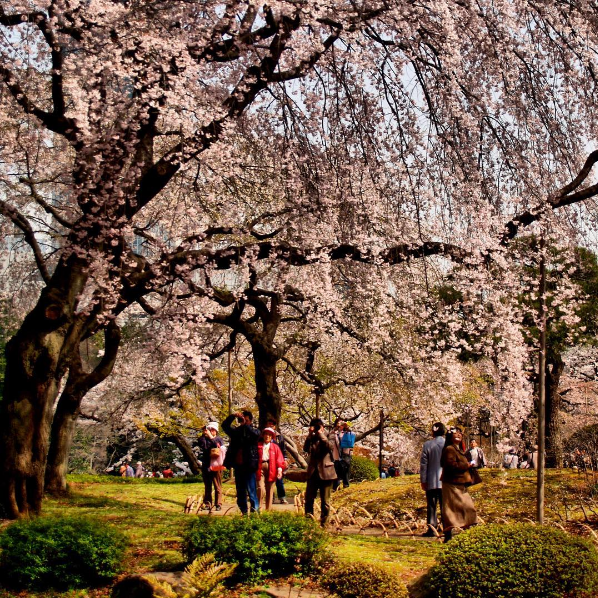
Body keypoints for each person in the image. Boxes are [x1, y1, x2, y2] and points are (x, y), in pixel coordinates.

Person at [440, 427, 477, 542]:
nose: (458, 435)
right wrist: (467, 465)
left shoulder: (458, 449)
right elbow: (451, 465)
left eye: (460, 433)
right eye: (455, 433)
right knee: (450, 508)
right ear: (450, 437)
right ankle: (448, 533)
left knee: (468, 506)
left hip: (460, 483)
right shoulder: (449, 449)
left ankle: (468, 530)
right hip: (452, 483)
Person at [222, 410, 260, 515]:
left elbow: (255, 436)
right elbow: (225, 426)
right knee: (240, 491)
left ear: (251, 421)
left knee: (252, 490)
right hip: (239, 465)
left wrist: (246, 425)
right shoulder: (236, 432)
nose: (244, 422)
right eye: (243, 420)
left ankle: (255, 511)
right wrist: (233, 416)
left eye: (247, 420)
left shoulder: (255, 431)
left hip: (250, 465)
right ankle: (243, 511)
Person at [303, 418, 337, 527]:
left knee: (325, 501)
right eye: (315, 426)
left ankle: (324, 523)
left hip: (326, 472)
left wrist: (322, 435)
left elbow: (330, 447)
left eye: (318, 426)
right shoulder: (312, 437)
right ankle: (309, 522)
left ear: (323, 426)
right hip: (313, 472)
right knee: (309, 499)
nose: (317, 428)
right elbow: (305, 449)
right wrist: (309, 435)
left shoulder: (330, 435)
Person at [420, 422, 446, 537]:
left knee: (431, 505)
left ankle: (432, 528)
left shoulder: (427, 445)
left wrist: (423, 480)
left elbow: (424, 464)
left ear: (432, 432)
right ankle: (447, 528)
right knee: (445, 505)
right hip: (445, 480)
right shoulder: (447, 444)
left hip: (431, 479)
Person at [197, 422, 225, 511]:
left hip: (216, 464)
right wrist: (203, 433)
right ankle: (207, 503)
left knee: (217, 485)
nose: (211, 431)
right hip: (206, 465)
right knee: (207, 486)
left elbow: (217, 445)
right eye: (209, 429)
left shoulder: (218, 439)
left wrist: (211, 438)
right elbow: (201, 444)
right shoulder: (204, 439)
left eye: (212, 430)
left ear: (216, 431)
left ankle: (218, 504)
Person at [257, 427, 285, 510]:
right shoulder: (258, 445)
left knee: (270, 489)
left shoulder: (275, 447)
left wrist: (279, 469)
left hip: (271, 467)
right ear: (263, 435)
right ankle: (259, 508)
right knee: (260, 488)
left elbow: (279, 459)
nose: (267, 436)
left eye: (269, 435)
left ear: (272, 436)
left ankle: (268, 509)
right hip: (260, 467)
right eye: (266, 434)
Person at [266, 417, 289, 504]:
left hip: (277, 461)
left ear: (275, 426)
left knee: (279, 480)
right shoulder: (264, 436)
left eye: (273, 425)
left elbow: (283, 449)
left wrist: (285, 459)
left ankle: (282, 497)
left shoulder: (279, 437)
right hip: (267, 460)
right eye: (269, 424)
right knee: (268, 480)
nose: (271, 426)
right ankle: (270, 497)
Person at [338, 421, 356, 488]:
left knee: (346, 469)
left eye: (342, 426)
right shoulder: (340, 434)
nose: (342, 427)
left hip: (346, 453)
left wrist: (348, 430)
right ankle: (339, 484)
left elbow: (353, 436)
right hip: (339, 453)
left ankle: (346, 484)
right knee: (340, 469)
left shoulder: (350, 433)